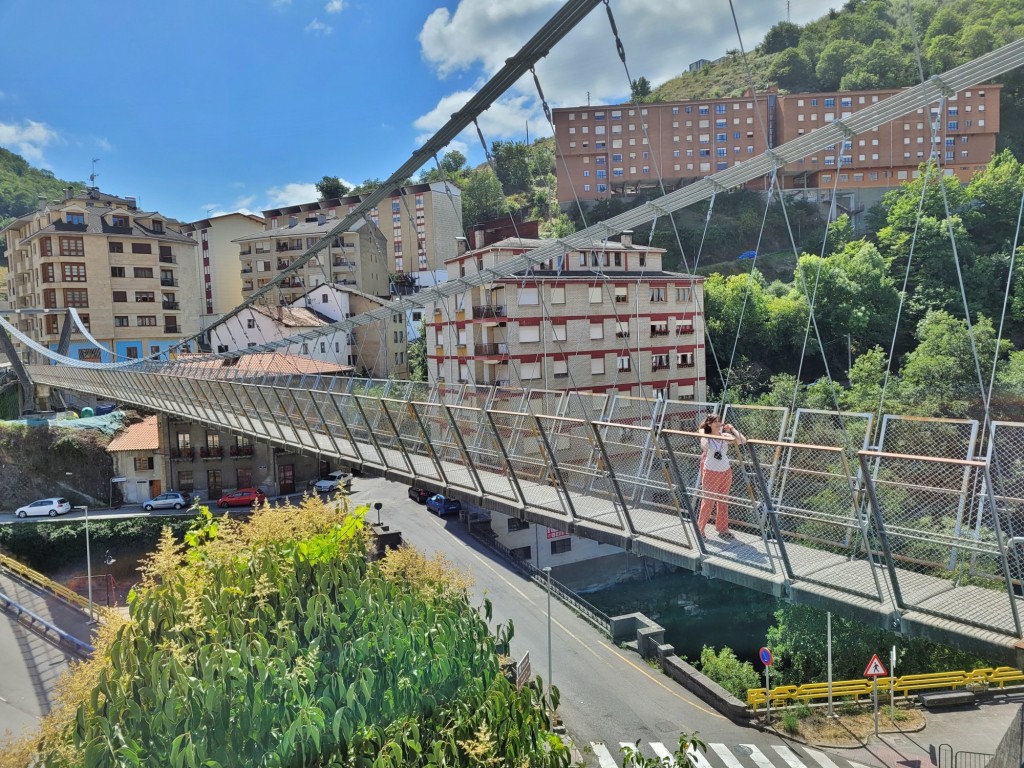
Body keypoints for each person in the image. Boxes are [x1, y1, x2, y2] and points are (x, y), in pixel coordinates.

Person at [697, 414, 746, 539]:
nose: (718, 424)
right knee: (708, 502)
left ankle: (723, 529)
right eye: (715, 422)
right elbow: (704, 445)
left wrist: (732, 429)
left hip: (725, 471)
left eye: (719, 421)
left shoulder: (724, 436)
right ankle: (700, 530)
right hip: (711, 472)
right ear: (709, 424)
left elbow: (743, 440)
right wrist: (704, 433)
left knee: (723, 501)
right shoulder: (707, 436)